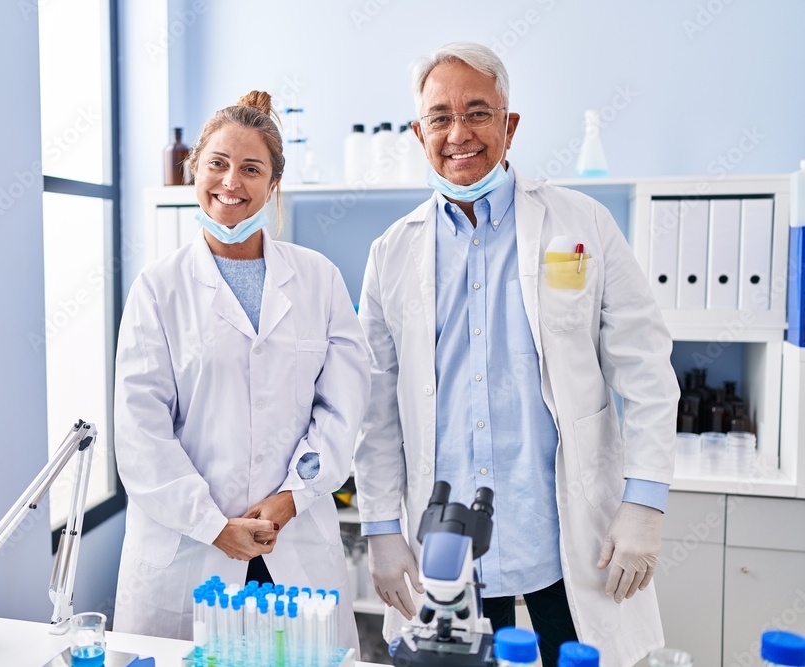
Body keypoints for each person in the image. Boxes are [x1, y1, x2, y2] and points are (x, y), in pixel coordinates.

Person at [353, 43, 679, 667]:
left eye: (478, 111)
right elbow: (376, 409)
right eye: (440, 117)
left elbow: (644, 367)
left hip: (563, 535)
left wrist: (644, 500)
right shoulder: (392, 254)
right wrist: (380, 529)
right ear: (419, 133)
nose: (459, 133)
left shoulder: (580, 222)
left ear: (510, 125)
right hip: (447, 546)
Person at [113, 91, 370, 649]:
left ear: (273, 185)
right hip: (189, 551)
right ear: (194, 171)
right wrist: (213, 527)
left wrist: (292, 496)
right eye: (218, 164)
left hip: (291, 540)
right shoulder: (158, 288)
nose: (232, 181)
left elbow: (343, 408)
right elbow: (141, 432)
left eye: (252, 169)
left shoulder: (319, 279)